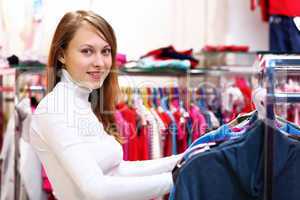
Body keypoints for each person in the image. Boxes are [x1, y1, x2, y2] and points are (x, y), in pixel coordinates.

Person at [29, 10, 182, 200]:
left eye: (106, 51)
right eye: (87, 51)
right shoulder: (54, 110)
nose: (100, 62)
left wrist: (181, 161)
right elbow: (97, 189)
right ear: (61, 55)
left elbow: (116, 170)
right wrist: (176, 179)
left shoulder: (82, 103)